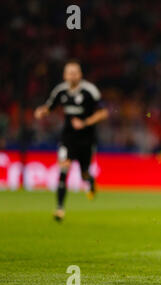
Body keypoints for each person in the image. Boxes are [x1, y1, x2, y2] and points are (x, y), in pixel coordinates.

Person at [34, 60, 109, 221]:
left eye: (75, 72)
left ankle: (90, 180)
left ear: (80, 74)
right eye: (69, 72)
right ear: (65, 75)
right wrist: (42, 112)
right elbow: (49, 106)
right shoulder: (60, 91)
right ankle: (59, 208)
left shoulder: (90, 91)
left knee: (84, 174)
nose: (72, 75)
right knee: (64, 167)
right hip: (68, 137)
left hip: (87, 139)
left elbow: (103, 113)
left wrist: (85, 123)